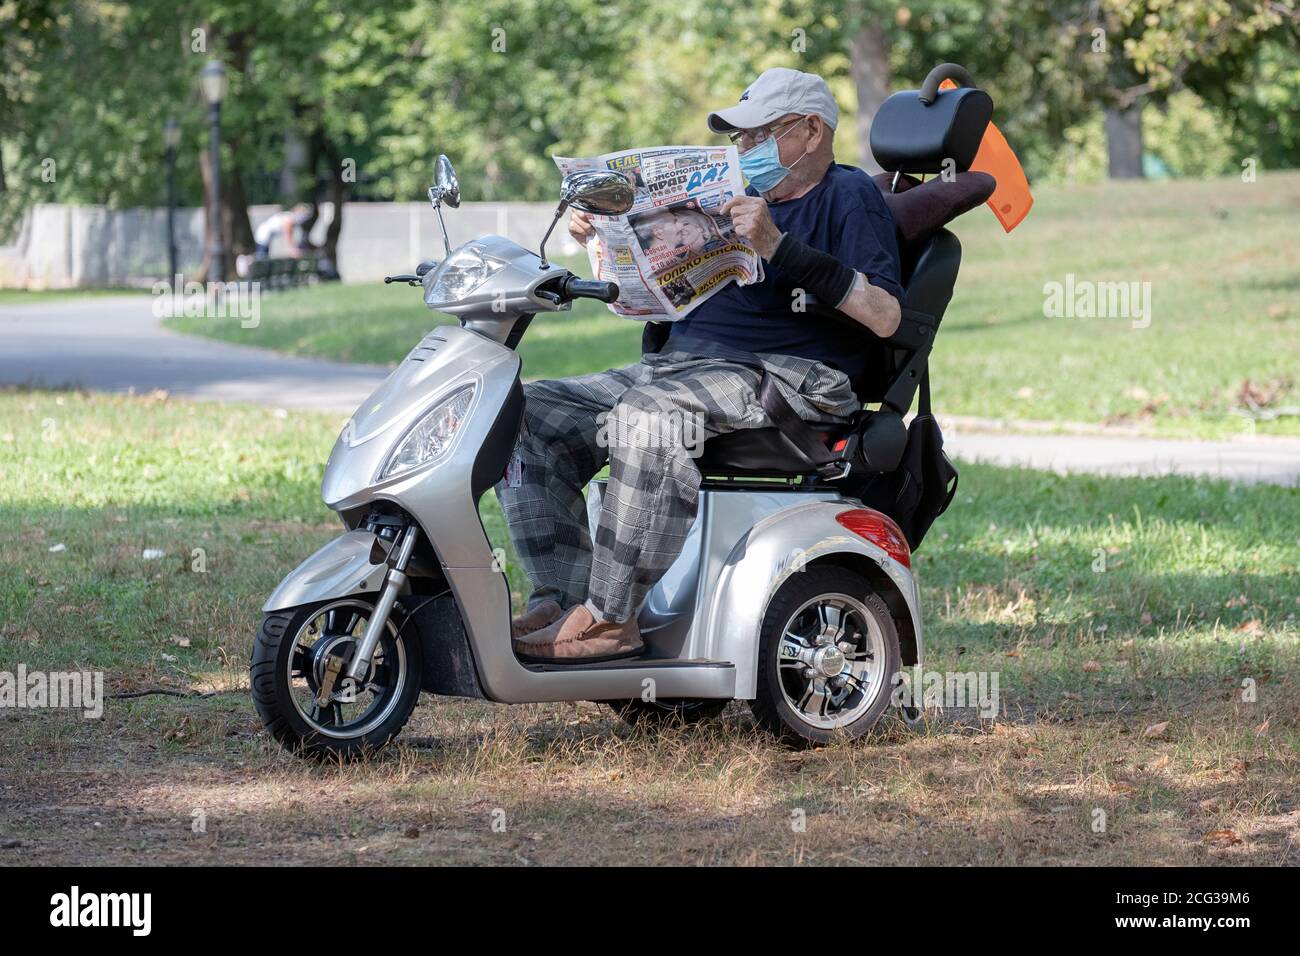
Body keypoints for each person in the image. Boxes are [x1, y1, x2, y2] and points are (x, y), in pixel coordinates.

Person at [498, 67, 904, 663]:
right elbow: (647, 294)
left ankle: (612, 620)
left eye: (759, 135)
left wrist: (778, 248)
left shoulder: (850, 196)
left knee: (649, 415)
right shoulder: (731, 200)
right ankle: (565, 598)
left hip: (788, 376)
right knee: (528, 413)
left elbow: (887, 315)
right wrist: (602, 239)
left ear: (812, 131)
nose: (744, 149)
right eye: (739, 139)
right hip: (682, 366)